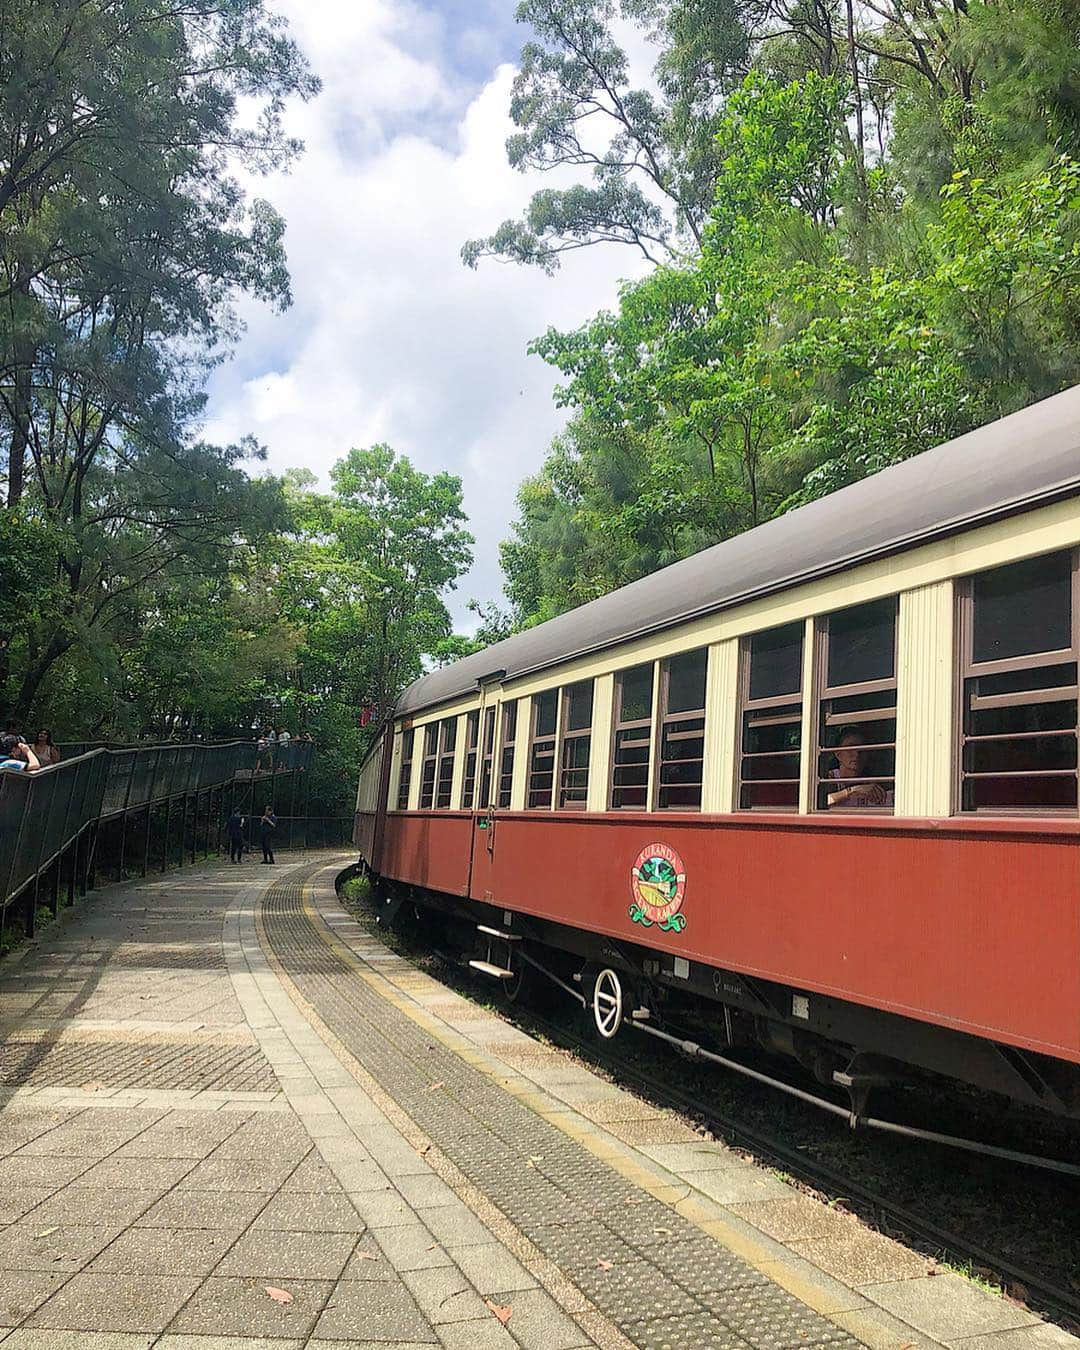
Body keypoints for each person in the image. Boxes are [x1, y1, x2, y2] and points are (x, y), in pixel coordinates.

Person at [826, 728, 888, 808]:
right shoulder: (829, 779)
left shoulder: (870, 781)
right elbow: (821, 801)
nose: (856, 754)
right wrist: (853, 791)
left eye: (861, 749)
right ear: (838, 754)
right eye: (850, 748)